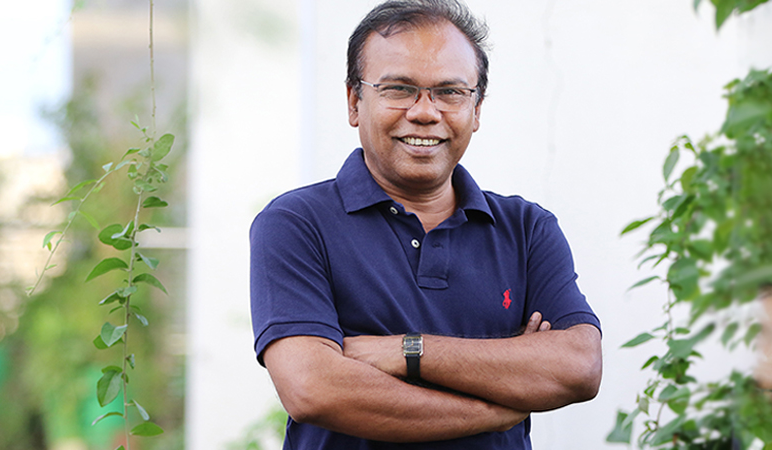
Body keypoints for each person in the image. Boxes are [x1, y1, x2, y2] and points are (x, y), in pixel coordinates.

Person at [250, 0, 602, 448]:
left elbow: (578, 366)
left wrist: (405, 351)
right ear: (355, 101)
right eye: (399, 89)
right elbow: (313, 389)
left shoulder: (527, 229)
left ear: (476, 109)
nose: (425, 112)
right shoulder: (298, 224)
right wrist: (496, 406)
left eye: (450, 92)